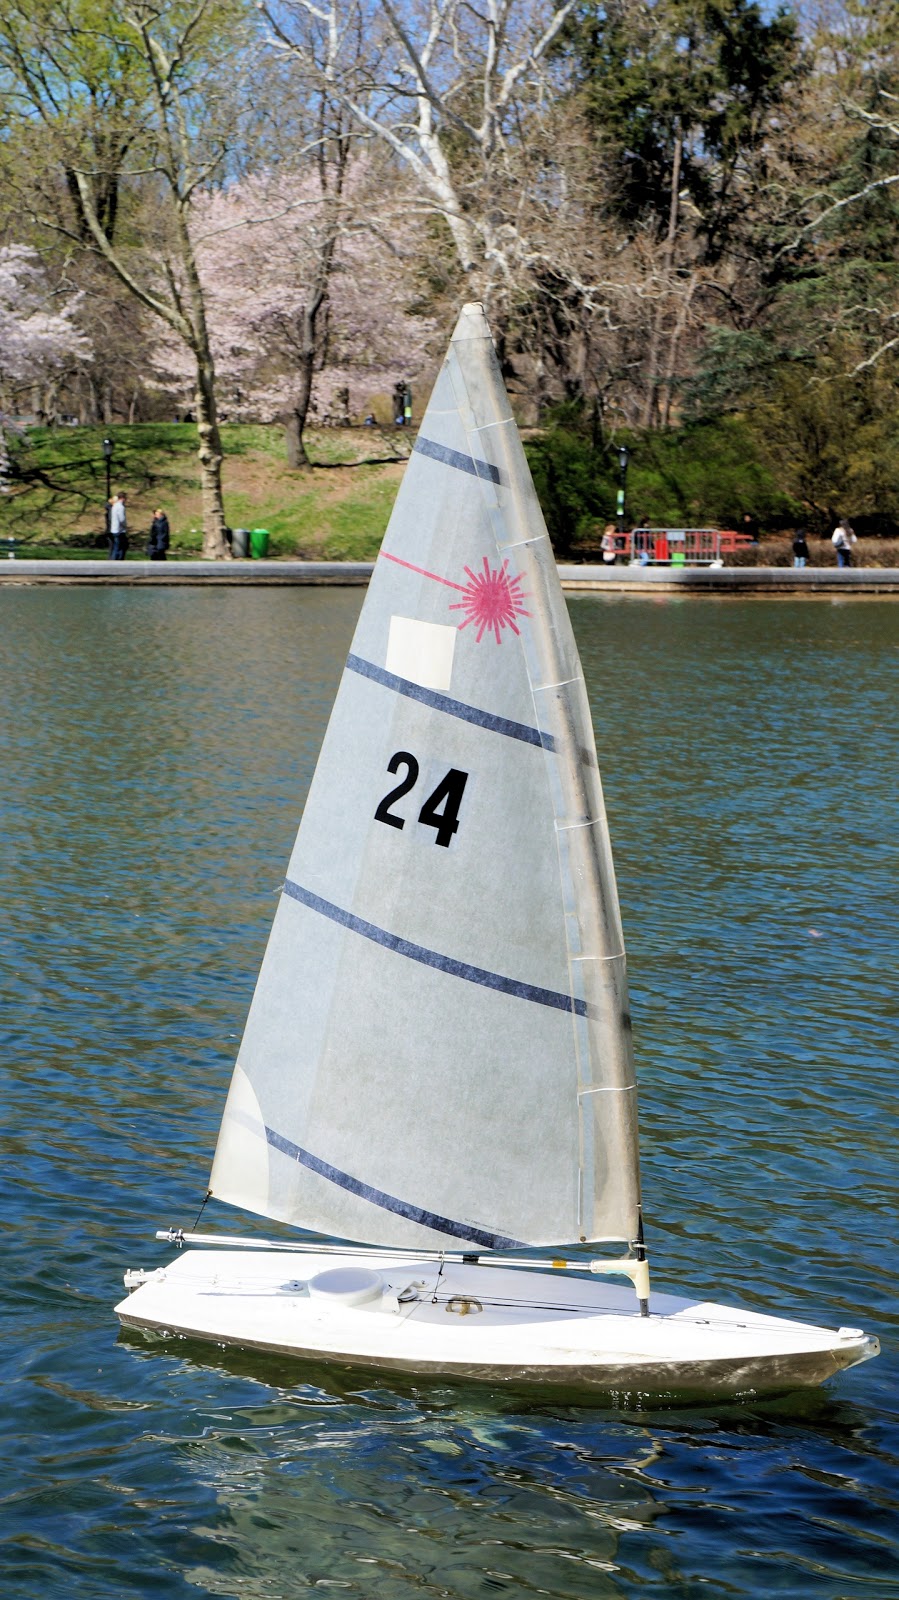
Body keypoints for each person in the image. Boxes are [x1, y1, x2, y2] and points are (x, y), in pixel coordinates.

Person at [108, 493, 128, 560]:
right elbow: (122, 519)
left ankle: (113, 558)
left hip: (114, 529)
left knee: (116, 546)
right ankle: (118, 559)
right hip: (120, 529)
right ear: (122, 498)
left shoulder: (114, 506)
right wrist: (125, 526)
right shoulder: (120, 507)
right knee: (120, 546)